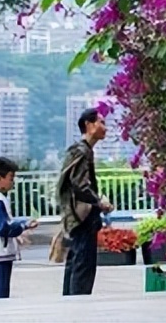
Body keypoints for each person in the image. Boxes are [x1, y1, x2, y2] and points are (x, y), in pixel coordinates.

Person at [57, 108, 114, 295]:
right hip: (83, 218)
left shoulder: (79, 150)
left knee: (74, 263)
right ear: (89, 126)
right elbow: (80, 186)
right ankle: (78, 307)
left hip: (75, 217)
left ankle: (69, 305)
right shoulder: (82, 151)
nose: (105, 127)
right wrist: (99, 202)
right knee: (83, 265)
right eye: (101, 122)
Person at [0, 157, 38, 299]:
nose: (12, 181)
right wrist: (22, 226)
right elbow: (2, 227)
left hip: (0, 253)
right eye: (10, 177)